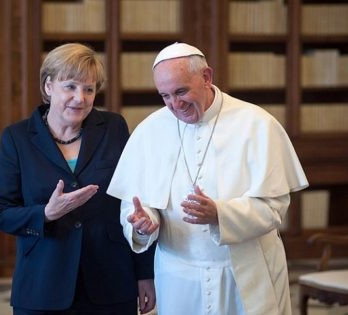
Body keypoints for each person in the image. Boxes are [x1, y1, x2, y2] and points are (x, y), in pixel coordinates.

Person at [107, 42, 309, 315]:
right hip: (178, 276)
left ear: (206, 77)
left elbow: (274, 209)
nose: (175, 105)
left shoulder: (257, 124)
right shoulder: (150, 131)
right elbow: (136, 204)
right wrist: (145, 223)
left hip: (245, 272)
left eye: (181, 91)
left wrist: (220, 213)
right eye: (165, 96)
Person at [0, 43, 156, 315]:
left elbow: (136, 201)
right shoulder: (17, 138)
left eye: (89, 89)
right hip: (43, 285)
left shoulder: (114, 128)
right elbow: (2, 212)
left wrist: (144, 273)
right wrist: (45, 213)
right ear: (48, 86)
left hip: (111, 281)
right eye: (70, 86)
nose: (80, 98)